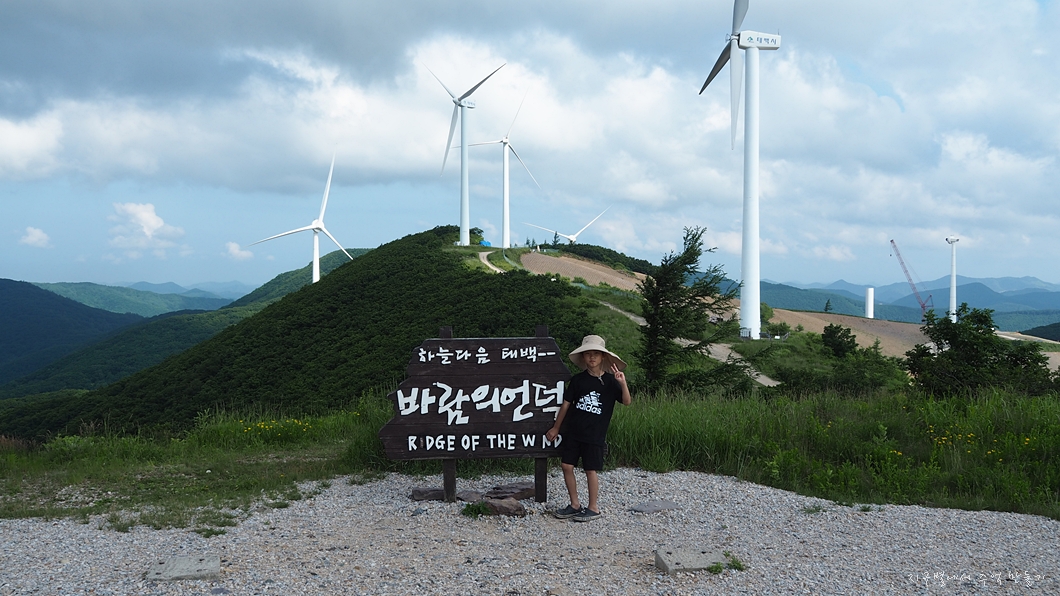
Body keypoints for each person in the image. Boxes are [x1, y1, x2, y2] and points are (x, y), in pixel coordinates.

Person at [545, 334, 631, 522]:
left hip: (595, 434)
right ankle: (575, 504)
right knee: (566, 465)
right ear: (583, 357)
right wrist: (556, 428)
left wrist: (623, 383)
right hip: (574, 431)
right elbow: (566, 405)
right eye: (588, 354)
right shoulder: (577, 380)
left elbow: (626, 401)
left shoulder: (611, 382)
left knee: (590, 469)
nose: (592, 357)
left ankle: (593, 508)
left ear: (603, 357)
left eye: (596, 354)